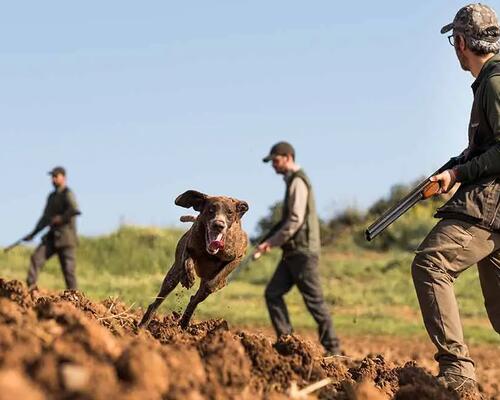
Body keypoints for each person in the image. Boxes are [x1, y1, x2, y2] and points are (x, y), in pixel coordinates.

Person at [411, 4, 500, 396]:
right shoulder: (489, 83)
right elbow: (486, 147)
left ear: (461, 42)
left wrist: (458, 174)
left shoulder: (495, 83)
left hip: (490, 206)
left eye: (454, 41)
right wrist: (455, 165)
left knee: (431, 263)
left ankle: (458, 373)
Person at [257, 141, 341, 355]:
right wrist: (268, 240)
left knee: (315, 302)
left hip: (303, 253)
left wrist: (271, 242)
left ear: (287, 157)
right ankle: (287, 341)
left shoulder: (298, 182)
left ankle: (333, 349)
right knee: (273, 293)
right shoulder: (291, 181)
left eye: (275, 161)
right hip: (293, 253)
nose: (273, 166)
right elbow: (288, 220)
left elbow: (294, 220)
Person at [24, 166, 81, 290]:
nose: (53, 179)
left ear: (63, 178)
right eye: (52, 177)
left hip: (66, 239)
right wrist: (33, 234)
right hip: (52, 237)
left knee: (68, 270)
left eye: (56, 176)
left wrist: (60, 218)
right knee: (36, 258)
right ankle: (30, 290)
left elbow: (74, 210)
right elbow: (45, 218)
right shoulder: (51, 196)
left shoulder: (68, 194)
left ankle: (74, 298)